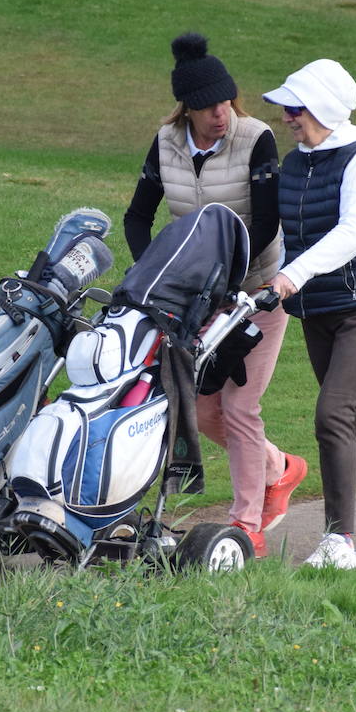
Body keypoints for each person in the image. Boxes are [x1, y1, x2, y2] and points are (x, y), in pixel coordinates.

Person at [124, 32, 307, 559]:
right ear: (188, 108)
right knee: (202, 411)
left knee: (240, 405)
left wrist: (233, 286)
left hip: (258, 294)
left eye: (225, 102)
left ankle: (246, 522)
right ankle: (280, 469)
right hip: (200, 303)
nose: (219, 115)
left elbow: (268, 220)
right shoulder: (165, 143)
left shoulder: (256, 138)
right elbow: (138, 216)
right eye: (207, 107)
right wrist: (157, 273)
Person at [261, 58, 356, 571]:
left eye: (295, 107)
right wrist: (275, 277)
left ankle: (338, 538)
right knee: (355, 418)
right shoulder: (297, 160)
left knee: (332, 413)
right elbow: (295, 234)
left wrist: (290, 277)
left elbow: (350, 234)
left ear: (322, 108)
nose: (287, 117)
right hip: (318, 306)